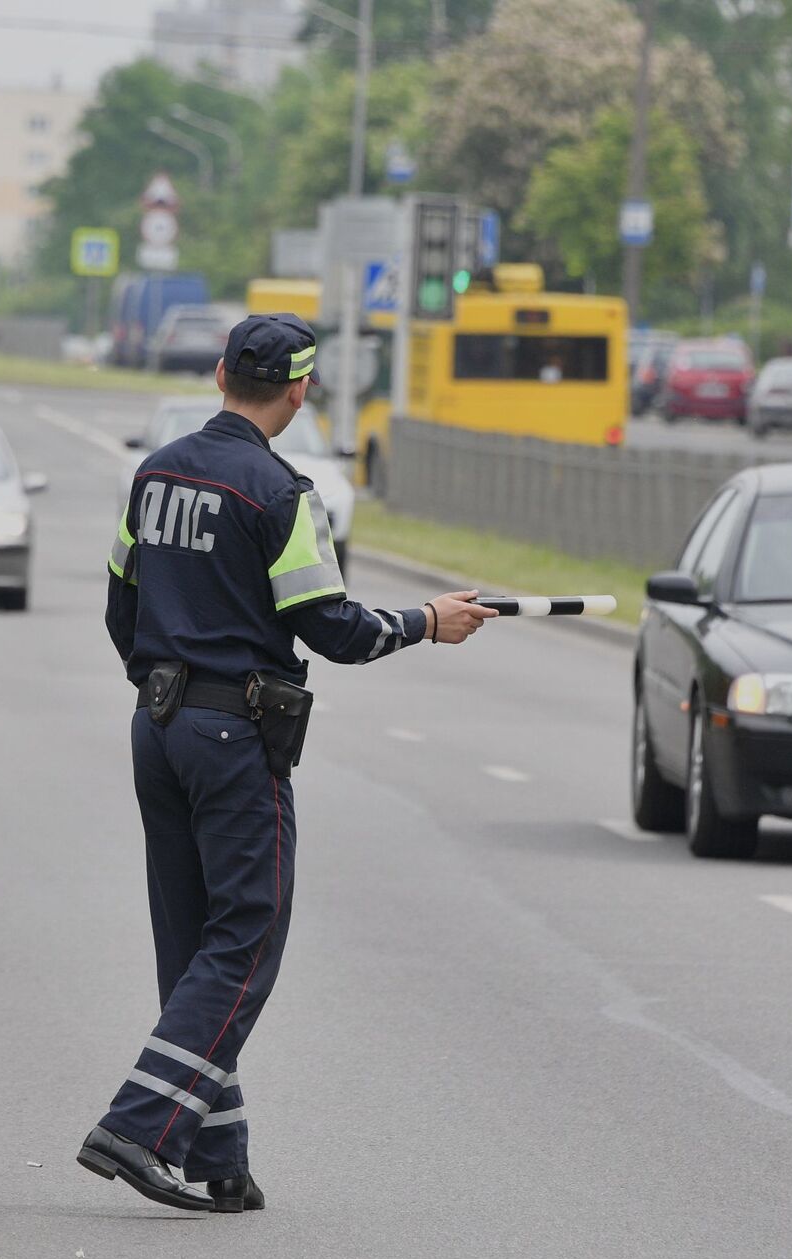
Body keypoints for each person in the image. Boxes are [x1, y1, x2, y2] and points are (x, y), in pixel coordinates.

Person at [79, 312, 495, 1213]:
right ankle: (140, 1125)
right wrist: (427, 621)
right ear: (301, 392)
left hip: (157, 726)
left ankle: (216, 1154)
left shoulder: (156, 473)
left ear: (222, 371)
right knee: (246, 938)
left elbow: (121, 602)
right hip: (233, 737)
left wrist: (161, 686)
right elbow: (331, 626)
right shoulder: (280, 492)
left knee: (193, 943)